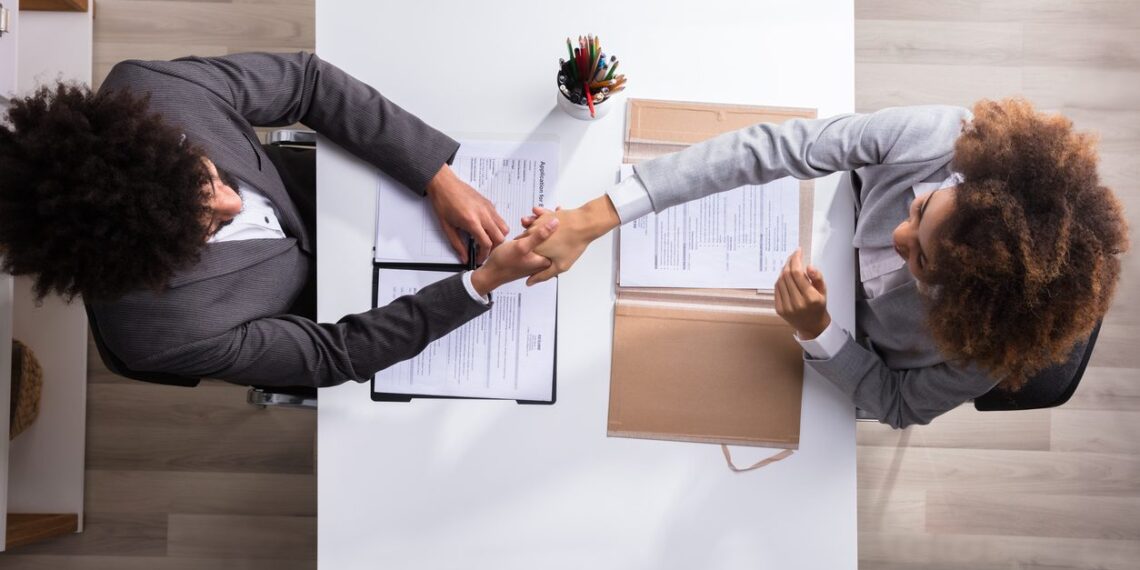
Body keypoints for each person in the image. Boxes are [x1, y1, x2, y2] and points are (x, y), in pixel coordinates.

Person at [519, 98, 1129, 428]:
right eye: (921, 207)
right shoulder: (940, 137)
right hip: (802, 223)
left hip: (823, 360)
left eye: (920, 259)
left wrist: (820, 332)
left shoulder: (988, 351)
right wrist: (598, 216)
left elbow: (896, 404)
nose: (897, 231)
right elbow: (782, 147)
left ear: (967, 302)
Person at [0, 52, 558, 388]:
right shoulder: (162, 333)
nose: (234, 203)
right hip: (332, 308)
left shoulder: (154, 92)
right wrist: (481, 285)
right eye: (207, 226)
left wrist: (434, 174)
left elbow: (307, 82)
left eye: (210, 177)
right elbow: (331, 355)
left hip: (341, 190)